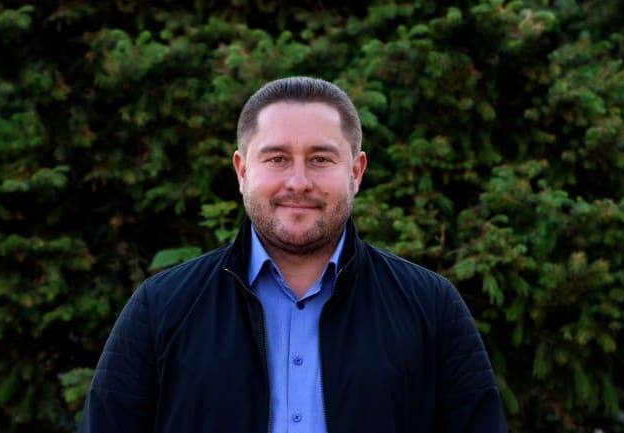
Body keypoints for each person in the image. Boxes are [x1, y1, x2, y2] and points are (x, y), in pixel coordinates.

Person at [79, 76, 507, 433]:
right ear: (242, 171)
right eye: (277, 159)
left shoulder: (431, 307)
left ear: (355, 172)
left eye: (320, 159)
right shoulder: (161, 309)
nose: (298, 182)